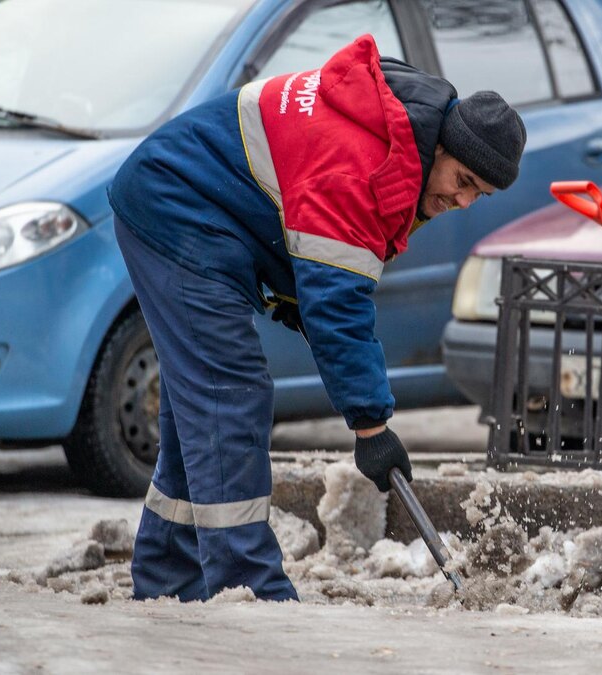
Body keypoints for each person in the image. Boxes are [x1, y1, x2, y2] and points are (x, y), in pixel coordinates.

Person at [107, 34, 526, 602]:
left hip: (207, 214)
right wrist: (371, 427)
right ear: (441, 149)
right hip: (178, 208)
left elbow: (315, 256)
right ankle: (249, 591)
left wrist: (299, 302)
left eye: (483, 194)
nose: (464, 202)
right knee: (230, 391)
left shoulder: (400, 138)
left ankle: (167, 581)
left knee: (200, 411)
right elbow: (338, 307)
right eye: (464, 183)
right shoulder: (365, 162)